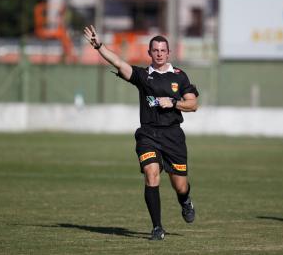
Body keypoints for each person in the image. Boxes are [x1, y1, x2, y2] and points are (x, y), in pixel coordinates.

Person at [83, 25, 199, 240]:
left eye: (163, 50)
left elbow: (193, 105)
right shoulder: (143, 76)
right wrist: (99, 46)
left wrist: (173, 102)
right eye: (155, 50)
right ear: (149, 53)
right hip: (148, 135)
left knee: (180, 185)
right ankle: (157, 227)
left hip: (173, 136)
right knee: (151, 175)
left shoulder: (180, 77)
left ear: (169, 53)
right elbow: (118, 62)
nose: (159, 54)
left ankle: (185, 200)